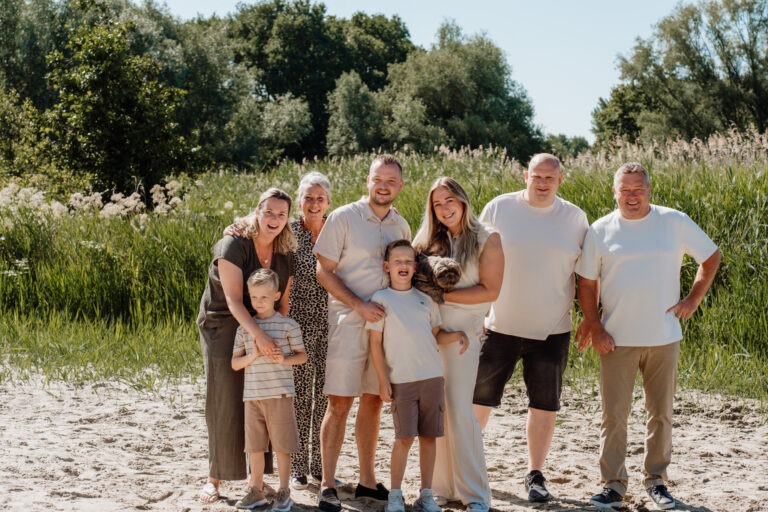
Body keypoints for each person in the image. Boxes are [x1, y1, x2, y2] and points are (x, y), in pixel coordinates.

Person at [574, 162, 721, 510]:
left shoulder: (674, 221)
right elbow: (586, 283)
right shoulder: (600, 230)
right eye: (625, 189)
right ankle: (613, 484)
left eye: (638, 189)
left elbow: (711, 256)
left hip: (664, 337)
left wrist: (693, 298)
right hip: (615, 339)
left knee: (661, 413)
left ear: (649, 189)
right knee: (614, 415)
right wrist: (594, 326)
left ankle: (656, 481)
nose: (632, 196)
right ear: (614, 191)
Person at [471, 153, 589, 502]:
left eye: (549, 178)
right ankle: (468, 464)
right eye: (537, 176)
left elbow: (586, 275)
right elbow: (475, 259)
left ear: (560, 180)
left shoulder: (575, 218)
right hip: (499, 325)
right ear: (526, 175)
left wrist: (589, 319)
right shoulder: (499, 208)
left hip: (552, 330)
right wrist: (477, 314)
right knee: (479, 399)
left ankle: (535, 473)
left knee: (544, 404)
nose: (542, 183)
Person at [314, 154, 411, 512]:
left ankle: (367, 482)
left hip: (386, 327)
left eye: (391, 181)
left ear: (399, 187)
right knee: (339, 402)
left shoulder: (402, 226)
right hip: (349, 321)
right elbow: (324, 272)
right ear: (367, 181)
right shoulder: (343, 217)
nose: (383, 185)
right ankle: (327, 484)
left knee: (373, 400)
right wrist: (358, 305)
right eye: (377, 179)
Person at [197, 188, 296, 503]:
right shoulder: (233, 244)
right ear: (257, 211)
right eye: (269, 212)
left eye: (281, 214)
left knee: (259, 396)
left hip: (262, 322)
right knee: (225, 395)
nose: (274, 219)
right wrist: (260, 336)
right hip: (224, 321)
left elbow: (284, 306)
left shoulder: (286, 253)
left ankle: (257, 481)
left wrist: (276, 336)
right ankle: (214, 478)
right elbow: (233, 301)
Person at [412, 177, 504, 512]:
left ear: (463, 201)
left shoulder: (486, 238)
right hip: (430, 332)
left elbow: (491, 290)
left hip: (464, 334)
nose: (444, 208)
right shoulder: (426, 241)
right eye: (437, 203)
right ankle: (442, 488)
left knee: (460, 410)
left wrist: (444, 294)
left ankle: (476, 494)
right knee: (437, 410)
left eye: (449, 200)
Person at [367, 239, 469, 512]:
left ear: (416, 267)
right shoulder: (380, 300)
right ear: (387, 266)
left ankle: (426, 494)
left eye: (408, 261)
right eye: (398, 261)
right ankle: (395, 495)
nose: (403, 265)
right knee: (403, 438)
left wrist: (457, 335)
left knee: (428, 437)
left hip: (432, 377)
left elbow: (435, 335)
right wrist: (382, 379)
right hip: (401, 380)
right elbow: (375, 344)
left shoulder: (426, 300)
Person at [231, 268, 307, 511]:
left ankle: (284, 491)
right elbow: (235, 363)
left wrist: (283, 359)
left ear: (276, 296)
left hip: (280, 395)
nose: (258, 302)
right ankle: (257, 489)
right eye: (254, 297)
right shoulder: (245, 329)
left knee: (283, 446)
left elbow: (302, 357)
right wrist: (254, 354)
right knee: (254, 447)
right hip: (252, 397)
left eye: (264, 297)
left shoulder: (288, 325)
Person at [287, 171, 333, 490]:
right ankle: (297, 466)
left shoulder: (339, 228)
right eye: (308, 198)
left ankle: (321, 467)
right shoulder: (289, 232)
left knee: (328, 397)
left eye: (320, 198)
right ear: (300, 201)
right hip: (297, 324)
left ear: (328, 202)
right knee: (301, 398)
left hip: (334, 325)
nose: (314, 203)